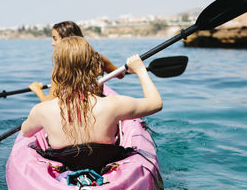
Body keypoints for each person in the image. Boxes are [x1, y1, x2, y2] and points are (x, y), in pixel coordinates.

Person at [21, 36, 162, 150]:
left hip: (63, 171)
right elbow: (156, 104)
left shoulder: (41, 111)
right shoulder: (114, 105)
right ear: (92, 67)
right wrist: (140, 70)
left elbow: (25, 132)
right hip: (104, 166)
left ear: (57, 71)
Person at [29, 21, 124, 102]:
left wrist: (37, 89)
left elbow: (48, 103)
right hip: (100, 106)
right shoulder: (98, 58)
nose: (52, 43)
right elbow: (121, 75)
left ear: (67, 40)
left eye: (55, 39)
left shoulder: (61, 67)